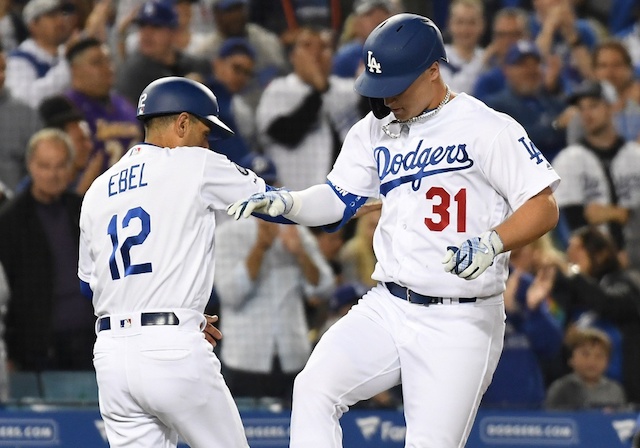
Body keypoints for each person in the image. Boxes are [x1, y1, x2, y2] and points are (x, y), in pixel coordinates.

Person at [227, 13, 561, 447]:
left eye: (397, 85)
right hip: (389, 303)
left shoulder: (487, 128)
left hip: (460, 317)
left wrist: (492, 242)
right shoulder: (373, 130)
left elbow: (544, 206)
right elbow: (338, 201)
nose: (386, 98)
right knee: (313, 388)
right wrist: (287, 201)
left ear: (433, 71)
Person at [77, 76, 276, 447]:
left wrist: (160, 309)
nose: (208, 142)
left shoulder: (97, 189)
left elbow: (88, 284)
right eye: (205, 131)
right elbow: (276, 205)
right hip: (172, 351)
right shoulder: (193, 163)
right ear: (182, 123)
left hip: (111, 358)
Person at [214, 152, 334, 405]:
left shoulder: (294, 230)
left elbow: (323, 289)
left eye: (271, 187)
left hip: (293, 354)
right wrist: (260, 248)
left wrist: (300, 254)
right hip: (246, 359)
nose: (265, 196)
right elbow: (230, 296)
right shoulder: (226, 235)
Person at [0, 128, 95, 372]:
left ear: (71, 167)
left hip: (90, 343)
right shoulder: (9, 220)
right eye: (44, 166)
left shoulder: (83, 210)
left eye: (60, 166)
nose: (52, 174)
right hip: (36, 351)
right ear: (30, 166)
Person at [256, 26, 360, 190]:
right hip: (293, 200)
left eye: (323, 47)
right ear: (293, 56)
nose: (316, 53)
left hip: (342, 200)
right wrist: (318, 90)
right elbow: (286, 135)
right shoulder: (278, 89)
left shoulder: (348, 90)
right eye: (307, 46)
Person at [552, 80, 640, 266]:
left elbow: (594, 215)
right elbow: (574, 225)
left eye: (593, 106)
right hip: (595, 267)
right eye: (581, 108)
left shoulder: (635, 156)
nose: (586, 114)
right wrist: (620, 213)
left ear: (612, 107)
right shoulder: (569, 160)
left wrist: (609, 213)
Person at [65, 37, 142, 173]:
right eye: (97, 63)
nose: (108, 68)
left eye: (109, 60)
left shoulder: (125, 103)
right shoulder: (66, 107)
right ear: (75, 70)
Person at [114, 0, 210, 107]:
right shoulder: (132, 72)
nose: (146, 34)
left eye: (156, 26)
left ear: (174, 32)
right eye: (142, 26)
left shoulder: (196, 65)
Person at [5, 0, 76, 109]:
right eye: (52, 16)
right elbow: (24, 101)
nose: (60, 20)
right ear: (33, 25)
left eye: (62, 14)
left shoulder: (66, 51)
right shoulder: (18, 60)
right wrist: (68, 65)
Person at [545, 327, 627, 410]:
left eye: (599, 356)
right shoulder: (560, 388)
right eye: (585, 354)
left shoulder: (615, 390)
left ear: (608, 362)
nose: (591, 362)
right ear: (571, 359)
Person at [0, 42, 42, 193]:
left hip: (15, 210)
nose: (1, 76)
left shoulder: (26, 114)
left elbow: (40, 167)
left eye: (3, 69)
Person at [439, 0, 486, 94]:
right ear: (449, 24)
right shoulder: (439, 57)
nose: (465, 29)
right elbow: (453, 94)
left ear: (482, 25)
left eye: (471, 23)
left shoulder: (489, 59)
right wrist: (482, 61)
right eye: (460, 22)